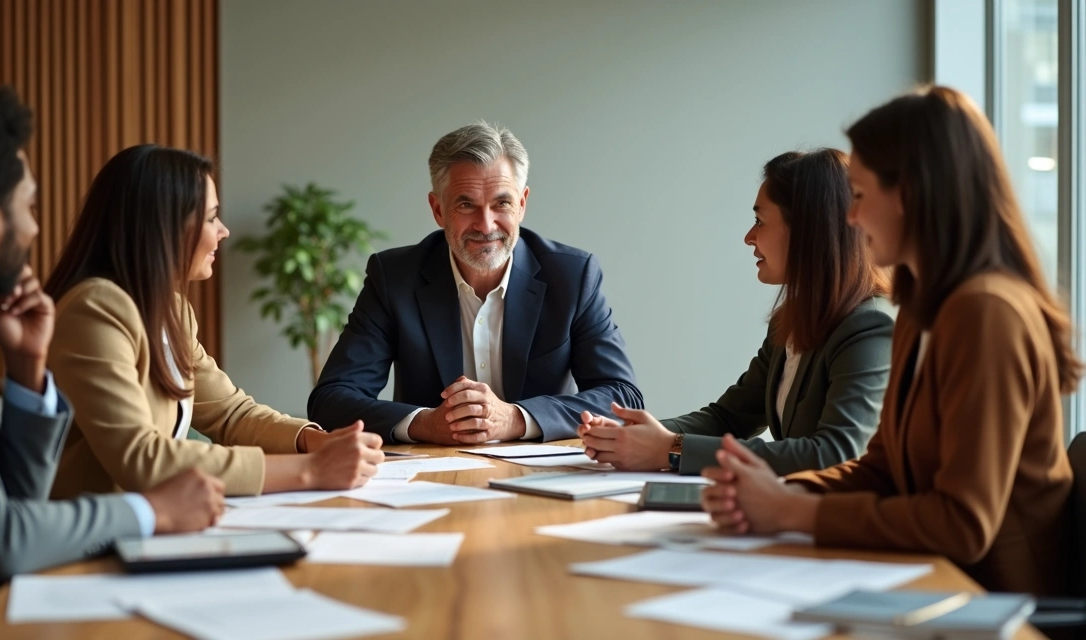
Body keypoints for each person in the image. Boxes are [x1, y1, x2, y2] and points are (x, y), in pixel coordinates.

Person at [0, 79, 223, 635]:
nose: (36, 227)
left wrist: (26, 371)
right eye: (29, 207)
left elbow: (14, 500)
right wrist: (153, 509)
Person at [701, 85, 1080, 596]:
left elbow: (963, 524)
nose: (850, 218)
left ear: (909, 195)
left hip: (986, 600)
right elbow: (881, 469)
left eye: (859, 195)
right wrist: (773, 493)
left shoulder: (987, 313)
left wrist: (794, 510)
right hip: (924, 577)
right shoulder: (922, 308)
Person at [45, 145, 384, 498]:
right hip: (97, 527)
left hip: (162, 520)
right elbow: (142, 458)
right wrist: (311, 469)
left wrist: (315, 441)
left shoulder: (172, 310)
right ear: (163, 226)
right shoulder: (94, 310)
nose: (223, 231)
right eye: (211, 218)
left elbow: (231, 414)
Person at [307, 121, 643, 444]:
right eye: (466, 204)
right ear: (438, 210)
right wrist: (425, 424)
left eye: (502, 203)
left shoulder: (572, 276)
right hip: (431, 470)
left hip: (541, 470)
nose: (486, 225)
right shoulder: (394, 277)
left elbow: (622, 397)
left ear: (522, 204)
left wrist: (515, 418)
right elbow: (331, 399)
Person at [578, 149, 893, 476]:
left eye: (759, 221)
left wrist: (672, 449)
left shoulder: (869, 326)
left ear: (807, 230)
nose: (748, 237)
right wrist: (632, 435)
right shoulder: (789, 321)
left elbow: (837, 453)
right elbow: (728, 418)